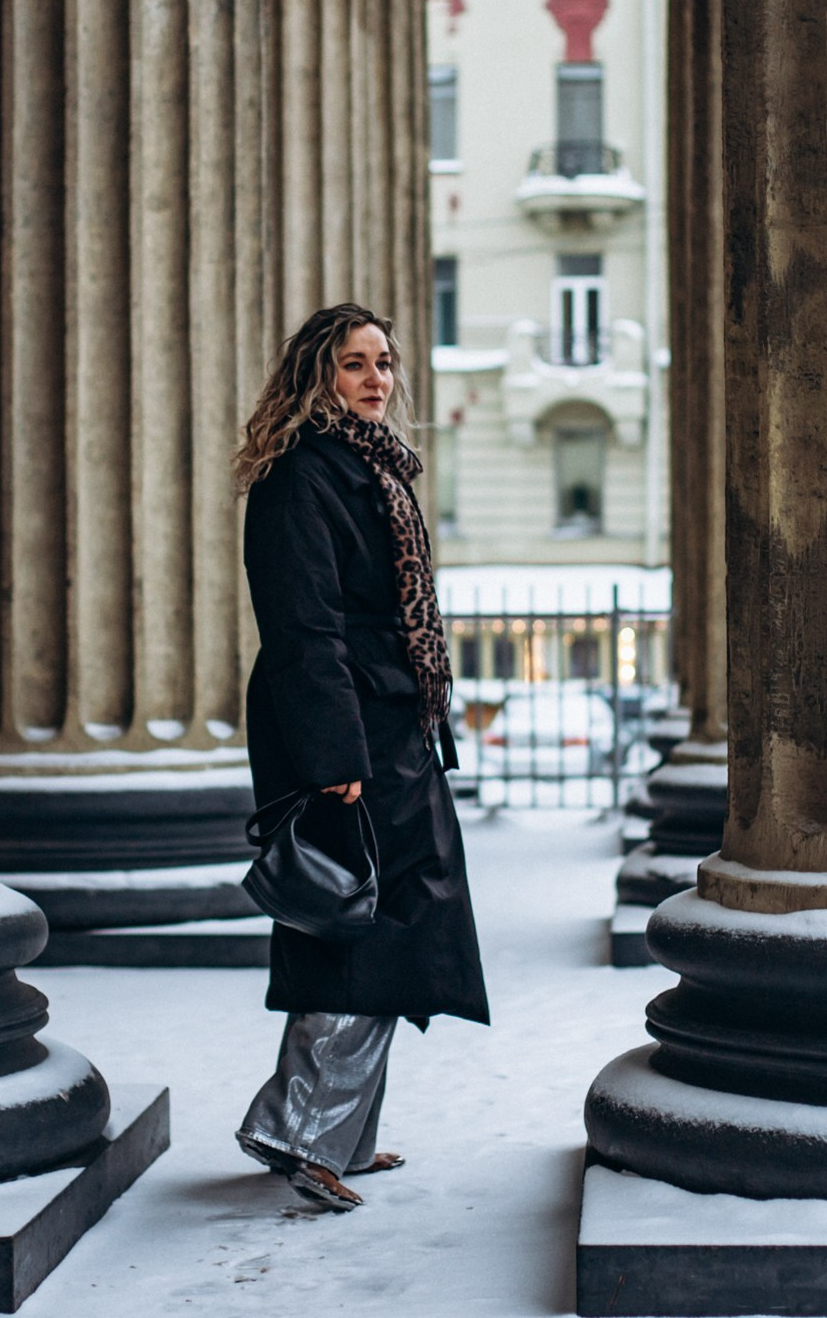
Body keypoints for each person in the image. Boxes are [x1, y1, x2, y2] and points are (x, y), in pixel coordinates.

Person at [228, 303, 490, 1212]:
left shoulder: (371, 467)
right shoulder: (303, 476)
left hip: (387, 725)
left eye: (384, 362)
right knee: (358, 926)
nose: (377, 379)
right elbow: (305, 627)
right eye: (354, 364)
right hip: (351, 734)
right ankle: (308, 1135)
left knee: (384, 920)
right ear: (317, 376)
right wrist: (335, 752)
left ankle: (319, 1127)